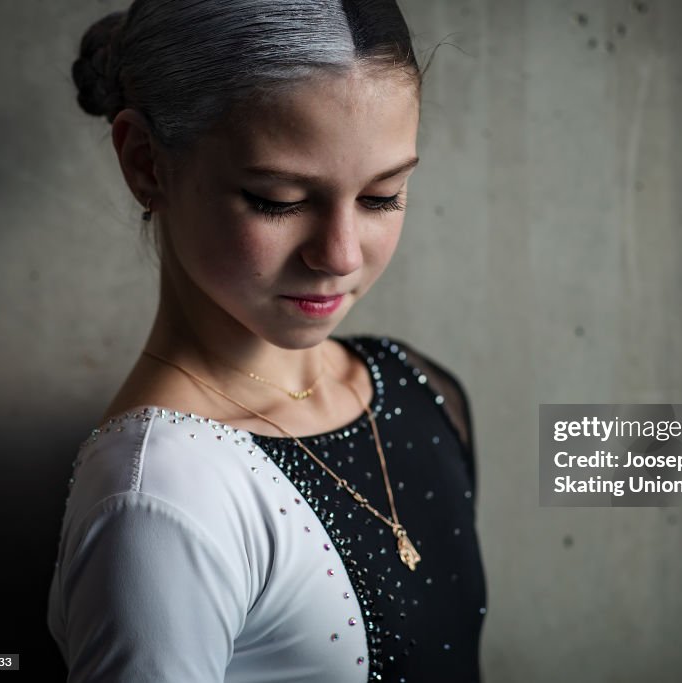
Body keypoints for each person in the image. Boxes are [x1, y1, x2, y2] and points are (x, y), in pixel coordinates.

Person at [46, 2, 486, 681]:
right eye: (278, 199)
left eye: (382, 195)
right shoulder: (158, 501)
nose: (339, 256)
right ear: (146, 164)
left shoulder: (418, 385)